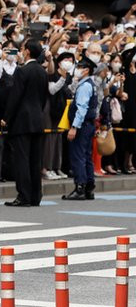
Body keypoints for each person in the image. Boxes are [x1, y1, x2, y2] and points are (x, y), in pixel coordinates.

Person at [2, 39, 48, 207]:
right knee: (35, 160)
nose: (21, 51)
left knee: (21, 159)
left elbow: (15, 96)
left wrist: (6, 118)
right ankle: (36, 195)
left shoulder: (22, 71)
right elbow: (44, 98)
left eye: (22, 48)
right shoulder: (42, 71)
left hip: (22, 121)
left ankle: (24, 196)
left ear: (27, 51)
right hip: (38, 119)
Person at [63, 56, 99, 200]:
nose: (77, 70)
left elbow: (81, 108)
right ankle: (89, 187)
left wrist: (74, 127)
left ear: (86, 70)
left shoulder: (85, 86)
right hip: (89, 125)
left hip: (82, 125)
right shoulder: (90, 84)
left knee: (78, 156)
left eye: (79, 67)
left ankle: (80, 187)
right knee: (86, 156)